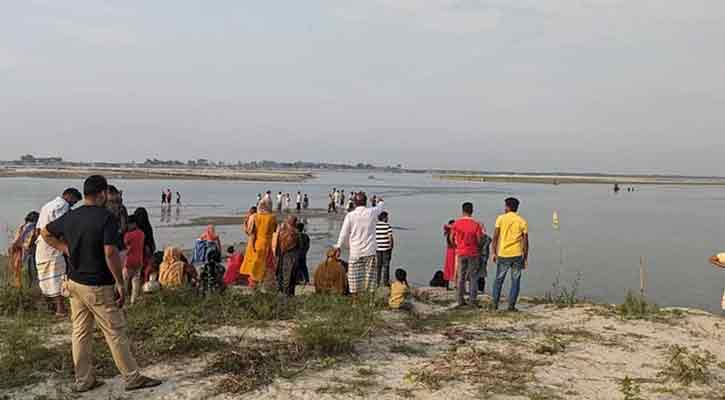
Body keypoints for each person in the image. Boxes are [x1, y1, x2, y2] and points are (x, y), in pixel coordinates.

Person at [40, 175, 161, 392]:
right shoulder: (106, 218)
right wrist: (119, 282)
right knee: (114, 331)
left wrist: (64, 248)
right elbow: (110, 252)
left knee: (80, 332)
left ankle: (84, 380)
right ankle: (132, 378)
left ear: (85, 193)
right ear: (102, 193)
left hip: (74, 283)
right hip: (97, 284)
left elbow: (46, 232)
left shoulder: (71, 216)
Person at [36, 187, 82, 316]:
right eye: (74, 202)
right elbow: (63, 227)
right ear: (70, 197)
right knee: (59, 278)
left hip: (42, 245)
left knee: (46, 277)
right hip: (54, 246)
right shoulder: (63, 206)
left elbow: (38, 229)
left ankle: (50, 307)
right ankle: (60, 309)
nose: (73, 204)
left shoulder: (46, 206)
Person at [334, 192, 385, 297]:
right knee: (371, 277)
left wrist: (339, 246)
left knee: (353, 278)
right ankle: (370, 301)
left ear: (355, 203)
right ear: (365, 202)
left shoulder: (350, 215)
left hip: (355, 251)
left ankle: (355, 301)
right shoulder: (371, 212)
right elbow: (380, 208)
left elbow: (343, 232)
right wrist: (380, 201)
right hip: (370, 251)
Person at [491, 197, 529, 312]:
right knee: (515, 281)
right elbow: (526, 241)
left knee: (499, 280)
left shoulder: (500, 219)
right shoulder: (522, 221)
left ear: (507, 207)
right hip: (517, 254)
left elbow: (495, 237)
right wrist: (525, 257)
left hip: (503, 253)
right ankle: (511, 306)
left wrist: (493, 252)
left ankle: (494, 305)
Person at [452, 202, 484, 307]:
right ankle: (472, 300)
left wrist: (457, 246)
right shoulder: (476, 224)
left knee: (461, 276)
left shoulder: (456, 223)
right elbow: (479, 240)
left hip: (461, 252)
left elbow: (451, 238)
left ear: (462, 211)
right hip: (473, 252)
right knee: (473, 277)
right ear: (472, 211)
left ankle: (460, 300)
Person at [241, 200, 278, 288]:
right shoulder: (272, 217)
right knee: (267, 265)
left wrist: (253, 245)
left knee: (255, 265)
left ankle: (254, 285)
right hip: (267, 244)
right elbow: (275, 230)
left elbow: (252, 233)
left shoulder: (255, 217)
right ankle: (268, 284)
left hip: (257, 243)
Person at [8, 212, 39, 288]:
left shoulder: (24, 227)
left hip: (25, 254)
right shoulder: (32, 226)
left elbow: (16, 241)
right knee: (31, 276)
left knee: (25, 276)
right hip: (29, 254)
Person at [273, 215, 300, 297]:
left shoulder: (287, 232)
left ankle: (285, 293)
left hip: (286, 255)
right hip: (289, 255)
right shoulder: (293, 232)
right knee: (288, 276)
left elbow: (281, 245)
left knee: (286, 275)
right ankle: (288, 294)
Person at [122, 215, 145, 305]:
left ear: (133, 224)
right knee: (135, 281)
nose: (128, 226)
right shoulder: (141, 233)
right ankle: (133, 300)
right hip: (139, 260)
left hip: (129, 260)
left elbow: (125, 245)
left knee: (124, 281)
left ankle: (123, 299)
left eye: (128, 224)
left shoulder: (128, 235)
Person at [132, 208, 156, 282]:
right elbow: (151, 243)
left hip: (140, 254)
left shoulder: (135, 229)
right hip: (146, 253)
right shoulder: (148, 227)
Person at [375, 211, 394, 287]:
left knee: (378, 265)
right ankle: (385, 282)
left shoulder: (375, 226)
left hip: (377, 248)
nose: (387, 218)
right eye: (387, 217)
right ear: (384, 218)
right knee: (386, 265)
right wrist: (391, 246)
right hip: (386, 248)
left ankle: (377, 282)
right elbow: (390, 237)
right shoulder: (387, 226)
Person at [442, 220, 456, 289]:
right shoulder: (450, 231)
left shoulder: (448, 232)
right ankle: (454, 285)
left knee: (448, 268)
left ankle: (447, 286)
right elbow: (445, 226)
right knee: (453, 268)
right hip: (453, 251)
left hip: (449, 251)